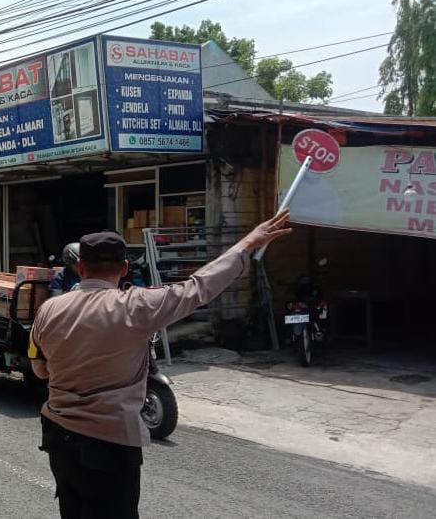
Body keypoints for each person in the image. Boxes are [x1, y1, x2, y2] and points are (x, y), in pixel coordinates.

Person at [28, 211, 292, 519]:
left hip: (59, 439)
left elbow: (40, 369)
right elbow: (198, 288)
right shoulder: (137, 305)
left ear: (81, 268)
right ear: (124, 268)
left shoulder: (48, 310)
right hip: (109, 444)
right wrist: (246, 243)